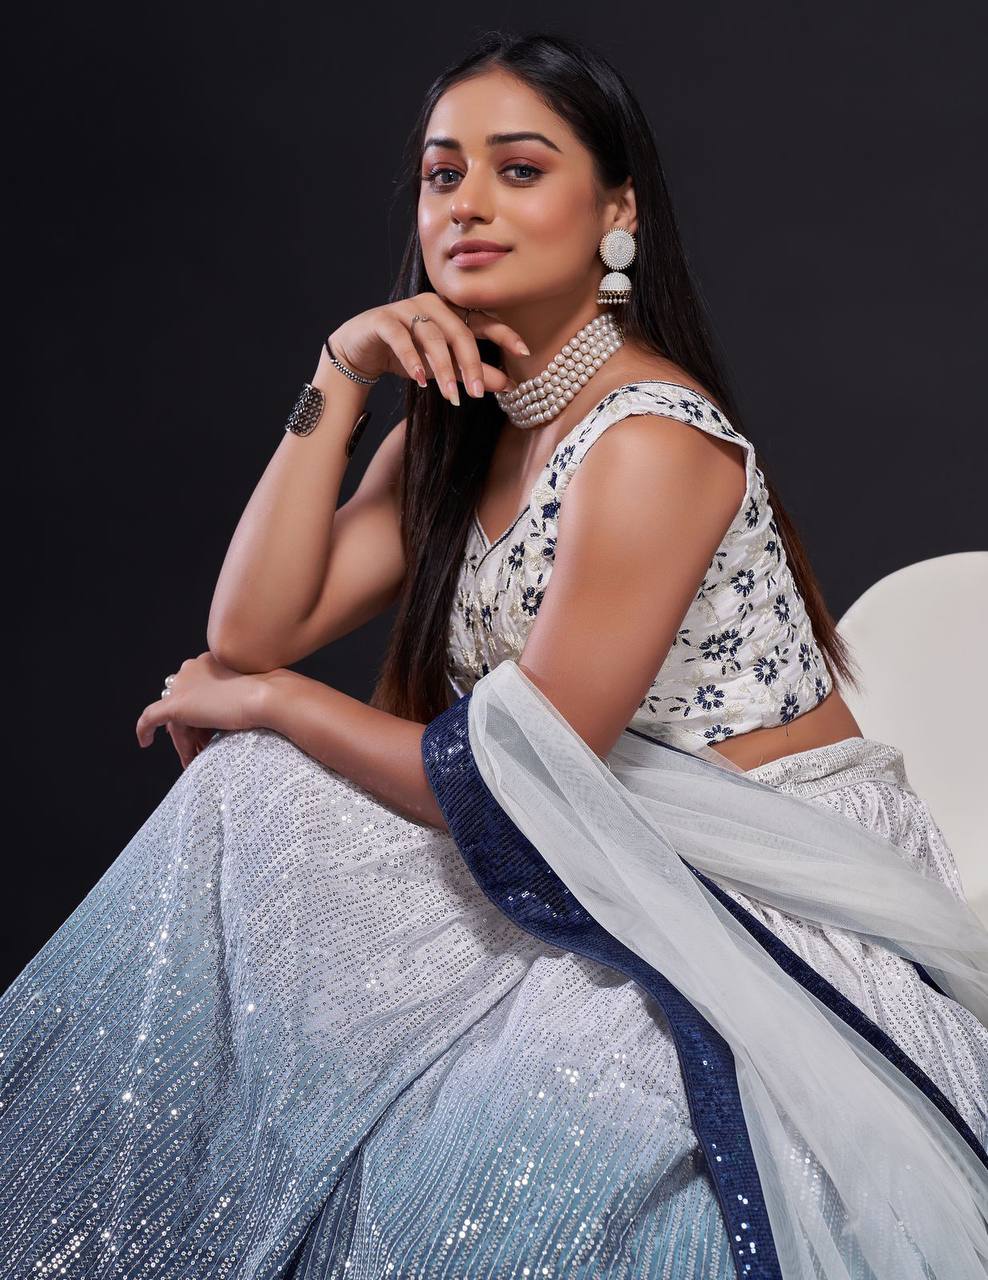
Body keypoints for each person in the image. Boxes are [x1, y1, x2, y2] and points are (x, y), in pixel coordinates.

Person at [1, 29, 986, 1280]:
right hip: (596, 842)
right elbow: (249, 627)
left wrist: (276, 702)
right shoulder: (457, 434)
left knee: (522, 1131)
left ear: (617, 212)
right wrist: (338, 371)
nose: (465, 203)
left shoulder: (650, 443)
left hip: (757, 879)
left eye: (518, 169)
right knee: (247, 795)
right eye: (440, 173)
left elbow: (515, 777)